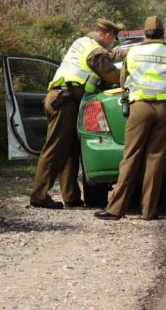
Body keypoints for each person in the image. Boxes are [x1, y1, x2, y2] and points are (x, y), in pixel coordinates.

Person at [94, 16, 166, 221]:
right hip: (165, 109)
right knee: (155, 160)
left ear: (144, 33)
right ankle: (149, 211)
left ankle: (115, 209)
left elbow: (123, 81)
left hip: (139, 108)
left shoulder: (134, 52)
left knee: (131, 157)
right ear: (163, 33)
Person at [29, 18, 126, 209]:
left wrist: (130, 53)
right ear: (107, 35)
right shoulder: (93, 51)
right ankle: (39, 195)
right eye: (114, 38)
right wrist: (129, 74)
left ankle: (71, 197)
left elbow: (109, 55)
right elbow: (110, 74)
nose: (113, 42)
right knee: (55, 150)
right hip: (64, 101)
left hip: (60, 98)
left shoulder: (84, 42)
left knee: (70, 149)